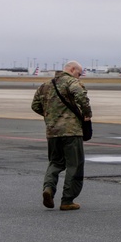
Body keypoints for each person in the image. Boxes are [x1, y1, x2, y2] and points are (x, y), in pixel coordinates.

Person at [30, 60, 91, 211]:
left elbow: (35, 105)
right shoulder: (72, 82)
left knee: (55, 163)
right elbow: (81, 97)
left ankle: (48, 189)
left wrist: (51, 116)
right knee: (74, 165)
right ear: (72, 69)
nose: (79, 77)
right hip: (71, 131)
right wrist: (87, 114)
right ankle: (67, 200)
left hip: (52, 132)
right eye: (79, 73)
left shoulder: (45, 85)